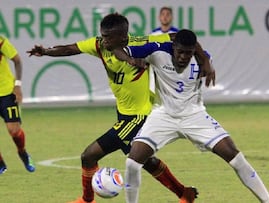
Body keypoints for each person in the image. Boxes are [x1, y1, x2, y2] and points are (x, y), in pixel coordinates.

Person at [27, 14, 211, 203]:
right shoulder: (99, 45)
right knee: (147, 161)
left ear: (123, 37)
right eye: (103, 35)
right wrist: (46, 51)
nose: (103, 40)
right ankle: (184, 193)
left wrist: (204, 59)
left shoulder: (141, 44)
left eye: (108, 37)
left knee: (89, 156)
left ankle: (87, 200)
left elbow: (180, 37)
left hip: (139, 116)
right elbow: (70, 49)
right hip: (123, 115)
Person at [118, 29, 269, 203]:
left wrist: (206, 60)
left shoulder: (202, 59)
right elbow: (118, 49)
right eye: (180, 52)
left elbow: (201, 52)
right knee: (132, 162)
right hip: (163, 116)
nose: (184, 57)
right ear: (173, 47)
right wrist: (130, 60)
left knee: (235, 156)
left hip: (194, 115)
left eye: (189, 53)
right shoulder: (157, 51)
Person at [0, 35, 36, 174]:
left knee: (14, 131)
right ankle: (1, 164)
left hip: (7, 92)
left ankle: (23, 153)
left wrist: (18, 86)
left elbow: (17, 60)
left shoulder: (1, 41)